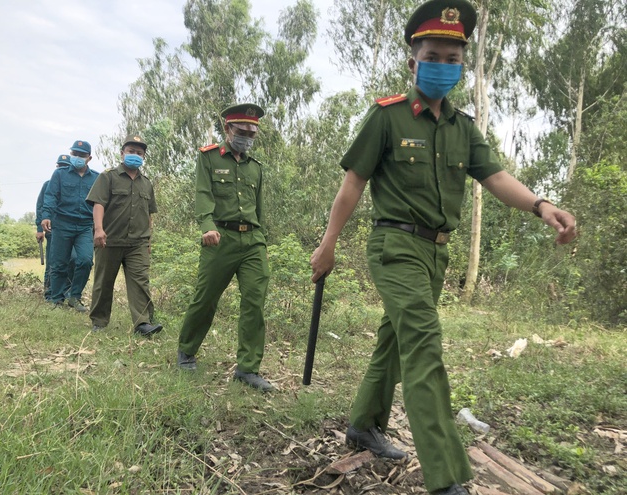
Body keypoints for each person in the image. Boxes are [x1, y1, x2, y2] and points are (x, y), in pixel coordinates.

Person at [308, 1, 577, 494]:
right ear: (414, 62)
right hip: (395, 246)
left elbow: (495, 177)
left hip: (437, 254)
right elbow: (351, 186)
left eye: (453, 59)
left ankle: (364, 425)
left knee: (396, 336)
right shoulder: (386, 118)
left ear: (461, 65)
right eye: (433, 56)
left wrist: (541, 205)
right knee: (424, 346)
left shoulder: (463, 127)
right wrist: (327, 247)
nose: (443, 66)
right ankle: (447, 478)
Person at [177, 103, 274, 392]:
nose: (247, 137)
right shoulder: (208, 158)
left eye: (252, 133)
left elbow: (260, 209)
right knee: (206, 298)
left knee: (255, 302)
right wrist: (207, 225)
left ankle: (247, 369)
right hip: (219, 238)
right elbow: (203, 194)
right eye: (242, 131)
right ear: (227, 130)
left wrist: (262, 240)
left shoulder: (255, 168)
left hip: (252, 241)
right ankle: (186, 350)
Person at [86, 134, 163, 337]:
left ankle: (143, 323)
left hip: (138, 242)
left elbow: (148, 214)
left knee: (140, 281)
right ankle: (99, 321)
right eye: (131, 151)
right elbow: (98, 203)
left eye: (139, 153)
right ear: (122, 153)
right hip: (108, 240)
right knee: (104, 282)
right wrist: (99, 229)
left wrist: (148, 239)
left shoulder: (146, 183)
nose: (135, 155)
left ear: (144, 157)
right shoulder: (108, 176)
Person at [41, 140, 99, 312]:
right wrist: (46, 216)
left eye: (81, 155)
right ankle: (56, 299)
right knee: (59, 264)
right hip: (62, 223)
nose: (77, 158)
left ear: (89, 158)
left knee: (85, 260)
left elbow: (100, 203)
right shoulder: (59, 174)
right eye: (74, 154)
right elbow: (51, 195)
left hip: (84, 226)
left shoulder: (96, 178)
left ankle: (75, 297)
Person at [36, 153, 71, 301]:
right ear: (57, 168)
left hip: (70, 230)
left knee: (70, 262)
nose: (62, 169)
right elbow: (40, 207)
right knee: (53, 262)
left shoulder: (72, 186)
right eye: (60, 166)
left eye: (66, 167)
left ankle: (65, 292)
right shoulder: (48, 184)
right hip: (52, 229)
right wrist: (39, 229)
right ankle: (49, 291)